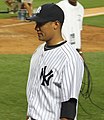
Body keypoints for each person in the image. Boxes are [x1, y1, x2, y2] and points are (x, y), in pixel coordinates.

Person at [26, 3, 84, 120]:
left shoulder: (69, 58)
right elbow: (34, 94)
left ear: (56, 24)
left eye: (41, 23)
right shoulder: (38, 51)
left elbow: (68, 107)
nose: (36, 27)